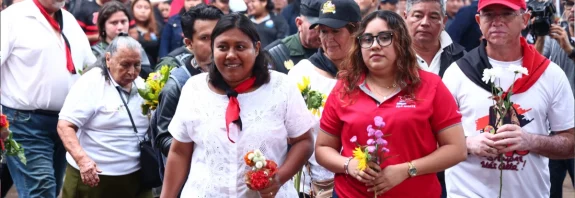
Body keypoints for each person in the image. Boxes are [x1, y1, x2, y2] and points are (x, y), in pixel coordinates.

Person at [160, 13, 315, 197]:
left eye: (240, 47)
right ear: (213, 49)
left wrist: (279, 179)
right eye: (222, 47)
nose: (231, 55)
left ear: (256, 48)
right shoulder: (194, 89)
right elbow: (179, 152)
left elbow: (303, 141)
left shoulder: (281, 87)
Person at [315, 10, 466, 198]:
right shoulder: (344, 88)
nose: (375, 45)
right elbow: (322, 149)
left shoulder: (431, 86)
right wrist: (349, 165)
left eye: (385, 37)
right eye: (367, 39)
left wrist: (408, 170)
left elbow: (457, 149)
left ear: (401, 42)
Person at [442, 0, 575, 197]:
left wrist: (531, 141)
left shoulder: (550, 74)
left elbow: (570, 142)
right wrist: (468, 144)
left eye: (506, 13)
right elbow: (433, 137)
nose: (497, 21)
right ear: (479, 21)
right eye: (489, 14)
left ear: (525, 20)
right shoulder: (457, 73)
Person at [1, 0, 97, 196]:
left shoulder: (69, 20)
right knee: (41, 191)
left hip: (64, 124)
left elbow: (89, 66)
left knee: (50, 190)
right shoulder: (12, 17)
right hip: (24, 122)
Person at [57, 36, 152, 198]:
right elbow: (65, 125)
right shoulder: (92, 82)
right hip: (93, 179)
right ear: (108, 59)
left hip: (136, 177)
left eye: (137, 65)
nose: (131, 72)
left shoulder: (143, 85)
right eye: (125, 65)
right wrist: (83, 160)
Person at [151, 3, 223, 177]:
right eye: (205, 38)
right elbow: (163, 138)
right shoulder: (178, 85)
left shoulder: (239, 73)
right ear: (189, 43)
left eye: (218, 35)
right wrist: (198, 150)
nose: (215, 44)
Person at [533, 1, 575, 198]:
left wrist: (569, 50)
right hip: (554, 128)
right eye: (569, 4)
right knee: (549, 190)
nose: (572, 10)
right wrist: (540, 35)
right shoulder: (555, 34)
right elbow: (532, 64)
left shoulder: (564, 40)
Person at [293, 0, 361, 79]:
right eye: (324, 31)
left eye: (335, 31)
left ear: (356, 32)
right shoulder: (303, 73)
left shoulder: (370, 68)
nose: (329, 39)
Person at [92, 1, 153, 79]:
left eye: (123, 21)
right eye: (114, 23)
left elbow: (148, 75)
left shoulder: (136, 48)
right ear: (103, 26)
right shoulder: (95, 53)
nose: (120, 27)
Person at [404, 0, 465, 77]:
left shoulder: (461, 59)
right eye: (418, 16)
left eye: (433, 17)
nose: (425, 23)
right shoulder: (391, 55)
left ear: (444, 22)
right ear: (405, 17)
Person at [264, 0, 322, 74]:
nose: (322, 34)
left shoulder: (334, 51)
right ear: (299, 23)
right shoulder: (275, 54)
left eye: (327, 28)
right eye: (317, 27)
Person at [133, 0, 162, 67]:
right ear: (132, 9)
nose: (143, 11)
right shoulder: (128, 28)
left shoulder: (157, 28)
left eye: (146, 8)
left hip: (153, 69)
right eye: (139, 7)